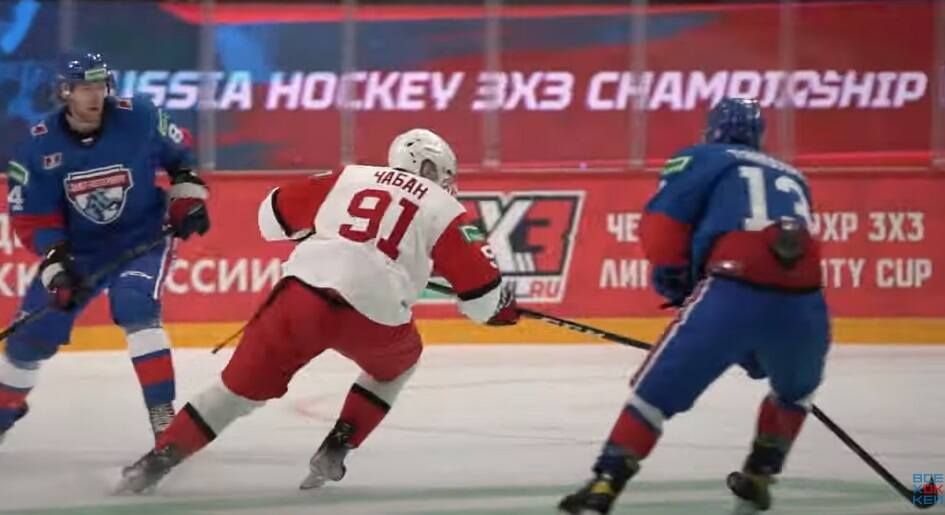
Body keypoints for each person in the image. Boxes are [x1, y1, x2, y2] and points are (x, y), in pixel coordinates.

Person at [117, 128, 520, 493]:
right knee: (397, 367)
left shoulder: (349, 177)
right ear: (432, 169)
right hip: (375, 316)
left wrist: (320, 231)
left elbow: (269, 220)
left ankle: (156, 460)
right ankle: (338, 446)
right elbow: (482, 302)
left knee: (234, 393)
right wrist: (499, 309)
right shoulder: (446, 210)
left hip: (303, 295)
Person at [559, 98, 830, 515]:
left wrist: (674, 278)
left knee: (652, 398)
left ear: (713, 130)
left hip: (731, 292)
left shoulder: (702, 158)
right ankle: (760, 474)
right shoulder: (795, 176)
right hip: (806, 305)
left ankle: (604, 484)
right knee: (795, 392)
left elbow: (662, 227)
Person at [1, 52, 210, 444]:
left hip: (142, 237)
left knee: (135, 304)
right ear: (65, 91)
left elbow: (181, 160)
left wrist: (187, 198)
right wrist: (57, 266)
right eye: (84, 87)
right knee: (30, 339)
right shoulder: (38, 146)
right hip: (79, 252)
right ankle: (4, 410)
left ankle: (164, 419)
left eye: (99, 85)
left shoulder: (140, 116)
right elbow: (33, 217)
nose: (94, 95)